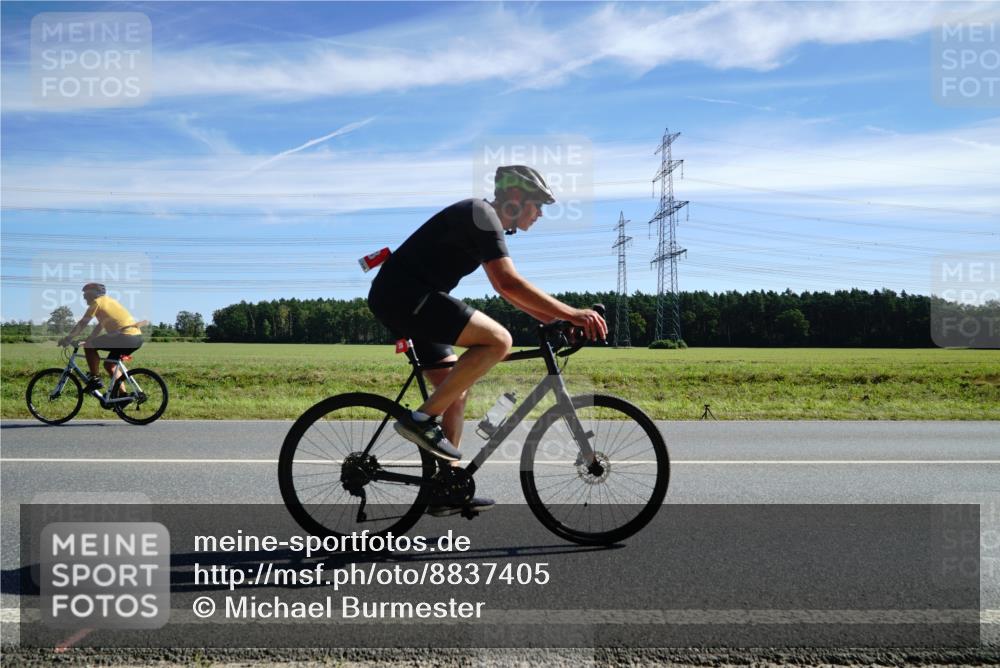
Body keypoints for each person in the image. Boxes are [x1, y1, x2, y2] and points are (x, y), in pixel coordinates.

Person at [367, 165, 607, 516]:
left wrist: (555, 321)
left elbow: (511, 293)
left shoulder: (482, 220)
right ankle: (419, 422)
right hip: (407, 297)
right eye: (538, 204)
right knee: (498, 341)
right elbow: (507, 282)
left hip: (409, 299)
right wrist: (572, 313)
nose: (540, 213)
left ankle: (447, 486)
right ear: (515, 197)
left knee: (455, 390)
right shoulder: (480, 215)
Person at [58, 283, 144, 397]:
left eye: (86, 294)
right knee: (109, 365)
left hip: (125, 336)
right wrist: (89, 339)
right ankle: (123, 396)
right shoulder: (109, 302)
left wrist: (68, 338)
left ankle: (95, 379)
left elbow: (83, 323)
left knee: (89, 346)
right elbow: (101, 325)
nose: (84, 297)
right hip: (136, 338)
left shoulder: (97, 302)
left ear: (93, 294)